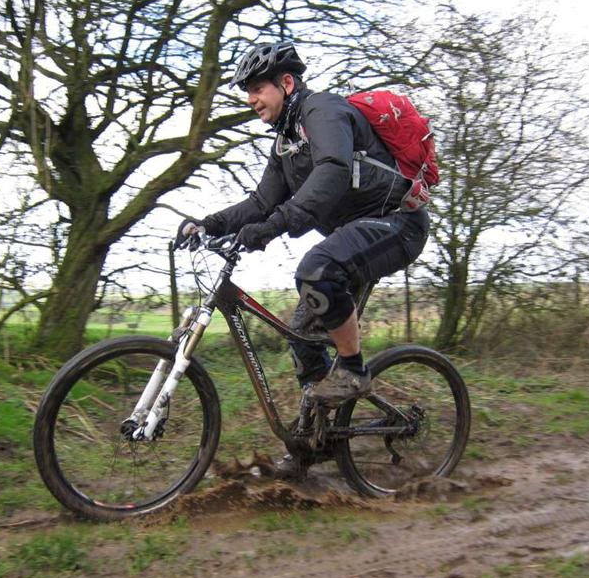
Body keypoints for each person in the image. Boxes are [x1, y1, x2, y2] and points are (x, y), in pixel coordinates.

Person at [177, 41, 429, 409]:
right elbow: (261, 203)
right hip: (354, 236)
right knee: (301, 336)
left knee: (316, 269)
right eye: (248, 92)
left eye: (257, 89)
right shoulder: (286, 143)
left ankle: (353, 370)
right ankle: (317, 428)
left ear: (287, 83)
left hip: (397, 224)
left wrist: (273, 227)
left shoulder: (323, 110)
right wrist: (208, 225)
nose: (251, 100)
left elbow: (333, 170)